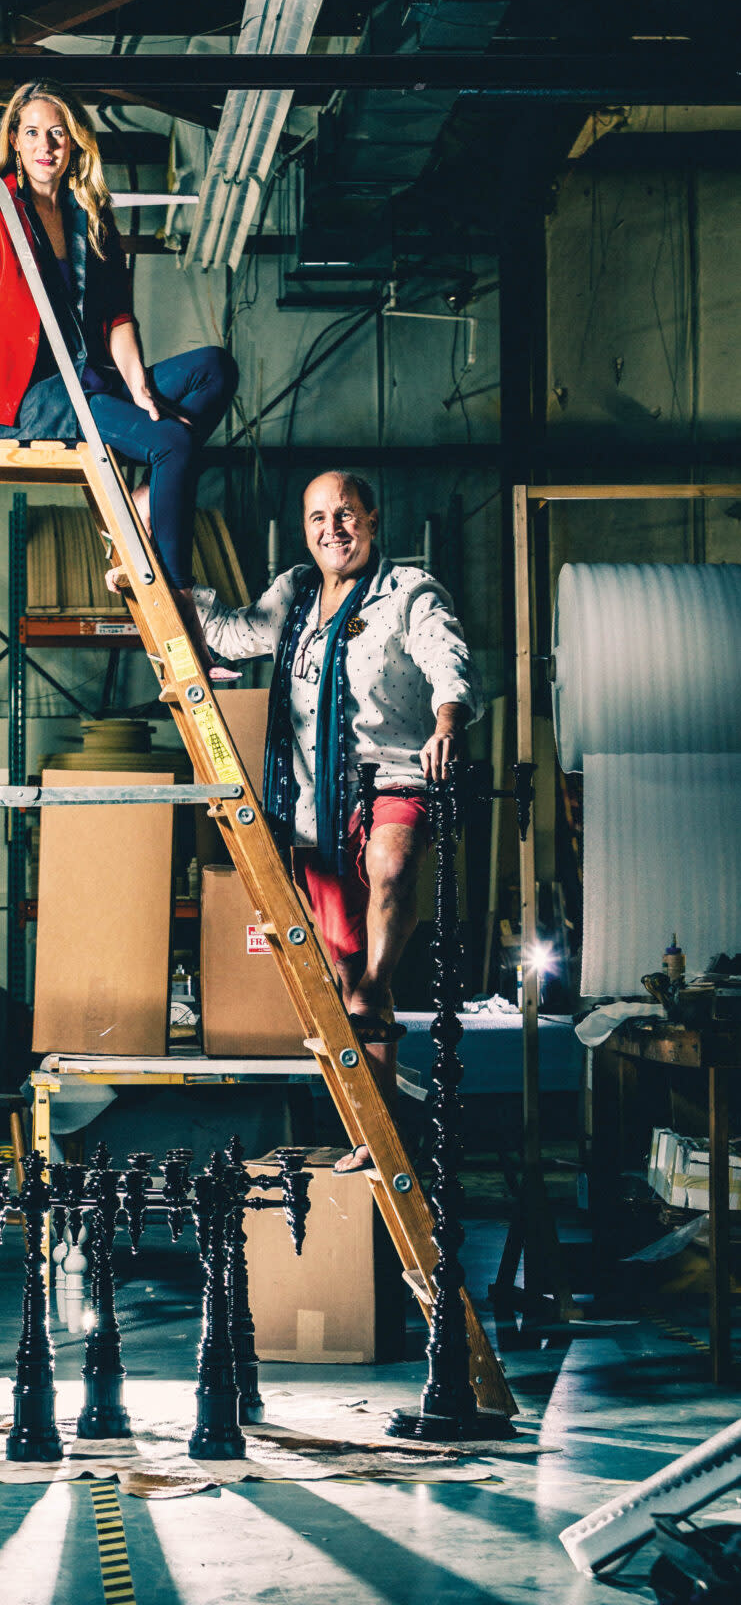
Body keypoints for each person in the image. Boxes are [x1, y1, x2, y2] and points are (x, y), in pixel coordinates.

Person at [195, 470, 481, 1171]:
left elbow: (446, 656)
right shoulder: (292, 594)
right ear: (305, 528)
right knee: (343, 978)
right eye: (318, 517)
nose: (333, 529)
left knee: (390, 874)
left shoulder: (407, 591)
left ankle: (380, 986)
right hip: (312, 807)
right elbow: (234, 637)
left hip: (393, 773)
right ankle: (375, 1135)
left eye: (346, 515)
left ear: (373, 520)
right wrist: (172, 595)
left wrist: (447, 719)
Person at [0, 80, 237, 667]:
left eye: (57, 133)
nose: (46, 145)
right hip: (29, 399)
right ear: (14, 140)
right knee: (171, 441)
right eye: (33, 132)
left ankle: (144, 500)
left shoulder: (91, 212)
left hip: (94, 382)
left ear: (75, 142)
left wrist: (139, 383)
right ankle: (181, 608)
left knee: (215, 367)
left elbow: (116, 314)